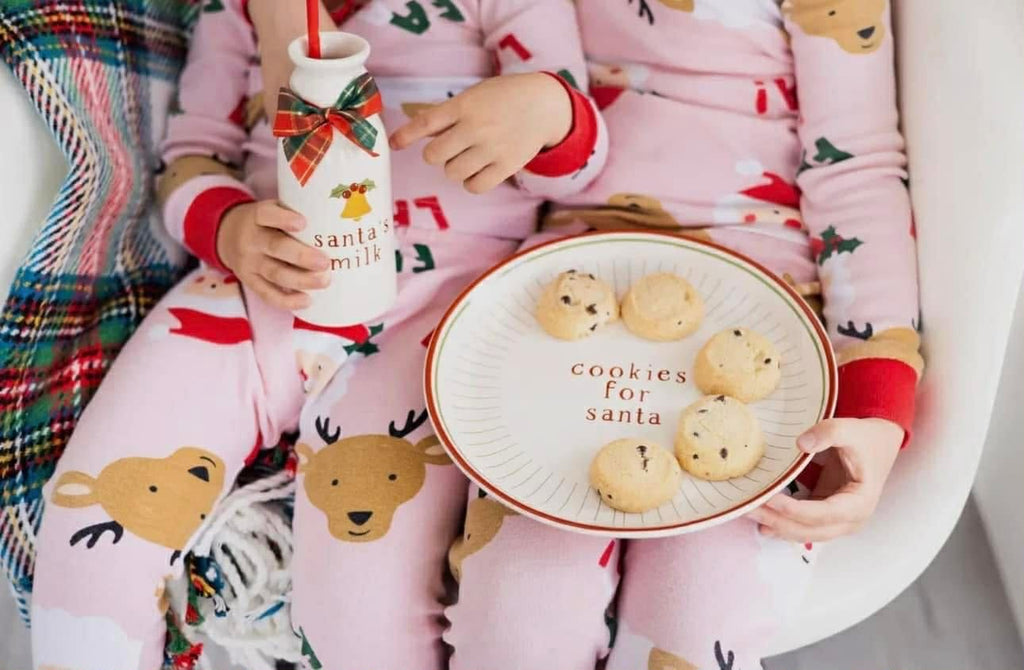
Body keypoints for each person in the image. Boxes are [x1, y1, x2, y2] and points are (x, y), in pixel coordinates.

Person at [253, 0, 924, 668]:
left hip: (760, 308)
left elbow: (856, 171)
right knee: (517, 621)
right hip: (563, 295)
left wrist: (876, 401)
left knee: (694, 618)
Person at [29, 0, 606, 667]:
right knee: (91, 524)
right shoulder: (236, 12)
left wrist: (544, 110)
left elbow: (583, 160)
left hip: (437, 298)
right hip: (251, 287)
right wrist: (229, 229)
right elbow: (187, 162)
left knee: (359, 602)